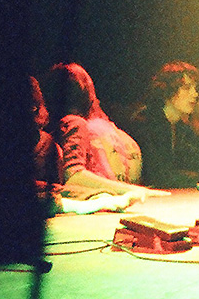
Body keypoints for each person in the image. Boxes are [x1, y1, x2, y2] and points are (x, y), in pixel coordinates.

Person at [41, 63, 162, 202]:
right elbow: (74, 175)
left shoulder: (59, 126)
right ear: (85, 90)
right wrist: (132, 190)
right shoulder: (74, 123)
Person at [130, 61, 199, 188]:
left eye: (195, 88)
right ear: (168, 90)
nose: (195, 94)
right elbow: (160, 176)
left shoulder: (178, 126)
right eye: (187, 88)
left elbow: (192, 162)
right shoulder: (147, 122)